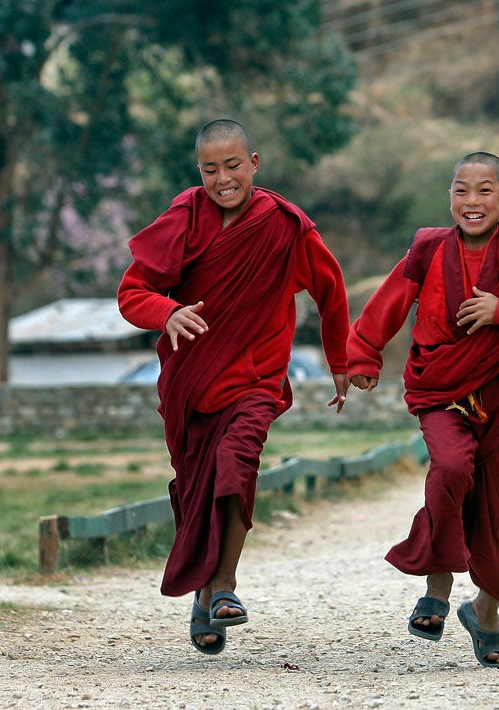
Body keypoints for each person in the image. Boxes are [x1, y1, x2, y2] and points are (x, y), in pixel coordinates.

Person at [116, 119, 350, 655]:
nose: (223, 178)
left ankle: (225, 586)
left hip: (256, 378)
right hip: (192, 382)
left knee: (237, 464)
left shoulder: (285, 225)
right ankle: (205, 597)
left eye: (233, 165)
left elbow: (330, 289)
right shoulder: (185, 218)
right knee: (197, 486)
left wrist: (339, 358)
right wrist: (168, 311)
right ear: (199, 172)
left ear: (255, 164)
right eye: (210, 169)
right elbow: (133, 291)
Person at [347, 152, 499, 669]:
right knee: (449, 469)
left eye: (485, 191)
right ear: (449, 196)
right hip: (440, 388)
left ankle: (486, 613)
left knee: (492, 508)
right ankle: (437, 586)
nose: (472, 202)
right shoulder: (428, 249)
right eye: (461, 191)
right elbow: (387, 304)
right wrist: (362, 352)